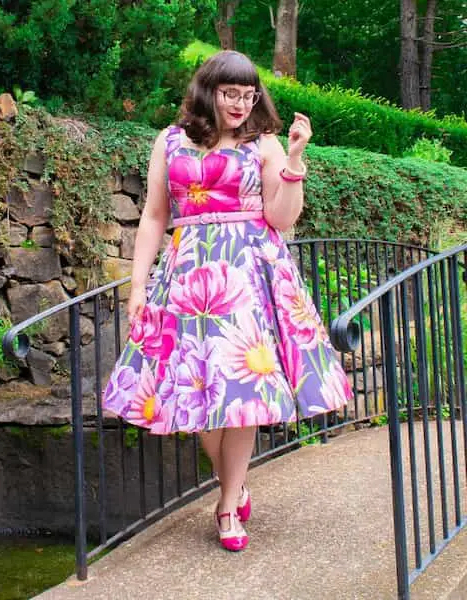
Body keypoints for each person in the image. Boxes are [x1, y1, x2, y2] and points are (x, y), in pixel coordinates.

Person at [103, 50, 352, 552]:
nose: (241, 104)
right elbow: (153, 217)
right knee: (196, 386)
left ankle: (226, 504)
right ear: (207, 91)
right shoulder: (170, 141)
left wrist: (296, 160)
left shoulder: (264, 143)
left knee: (244, 388)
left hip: (250, 275)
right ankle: (234, 484)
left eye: (248, 94)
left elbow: (282, 219)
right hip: (187, 274)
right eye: (230, 94)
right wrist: (138, 285)